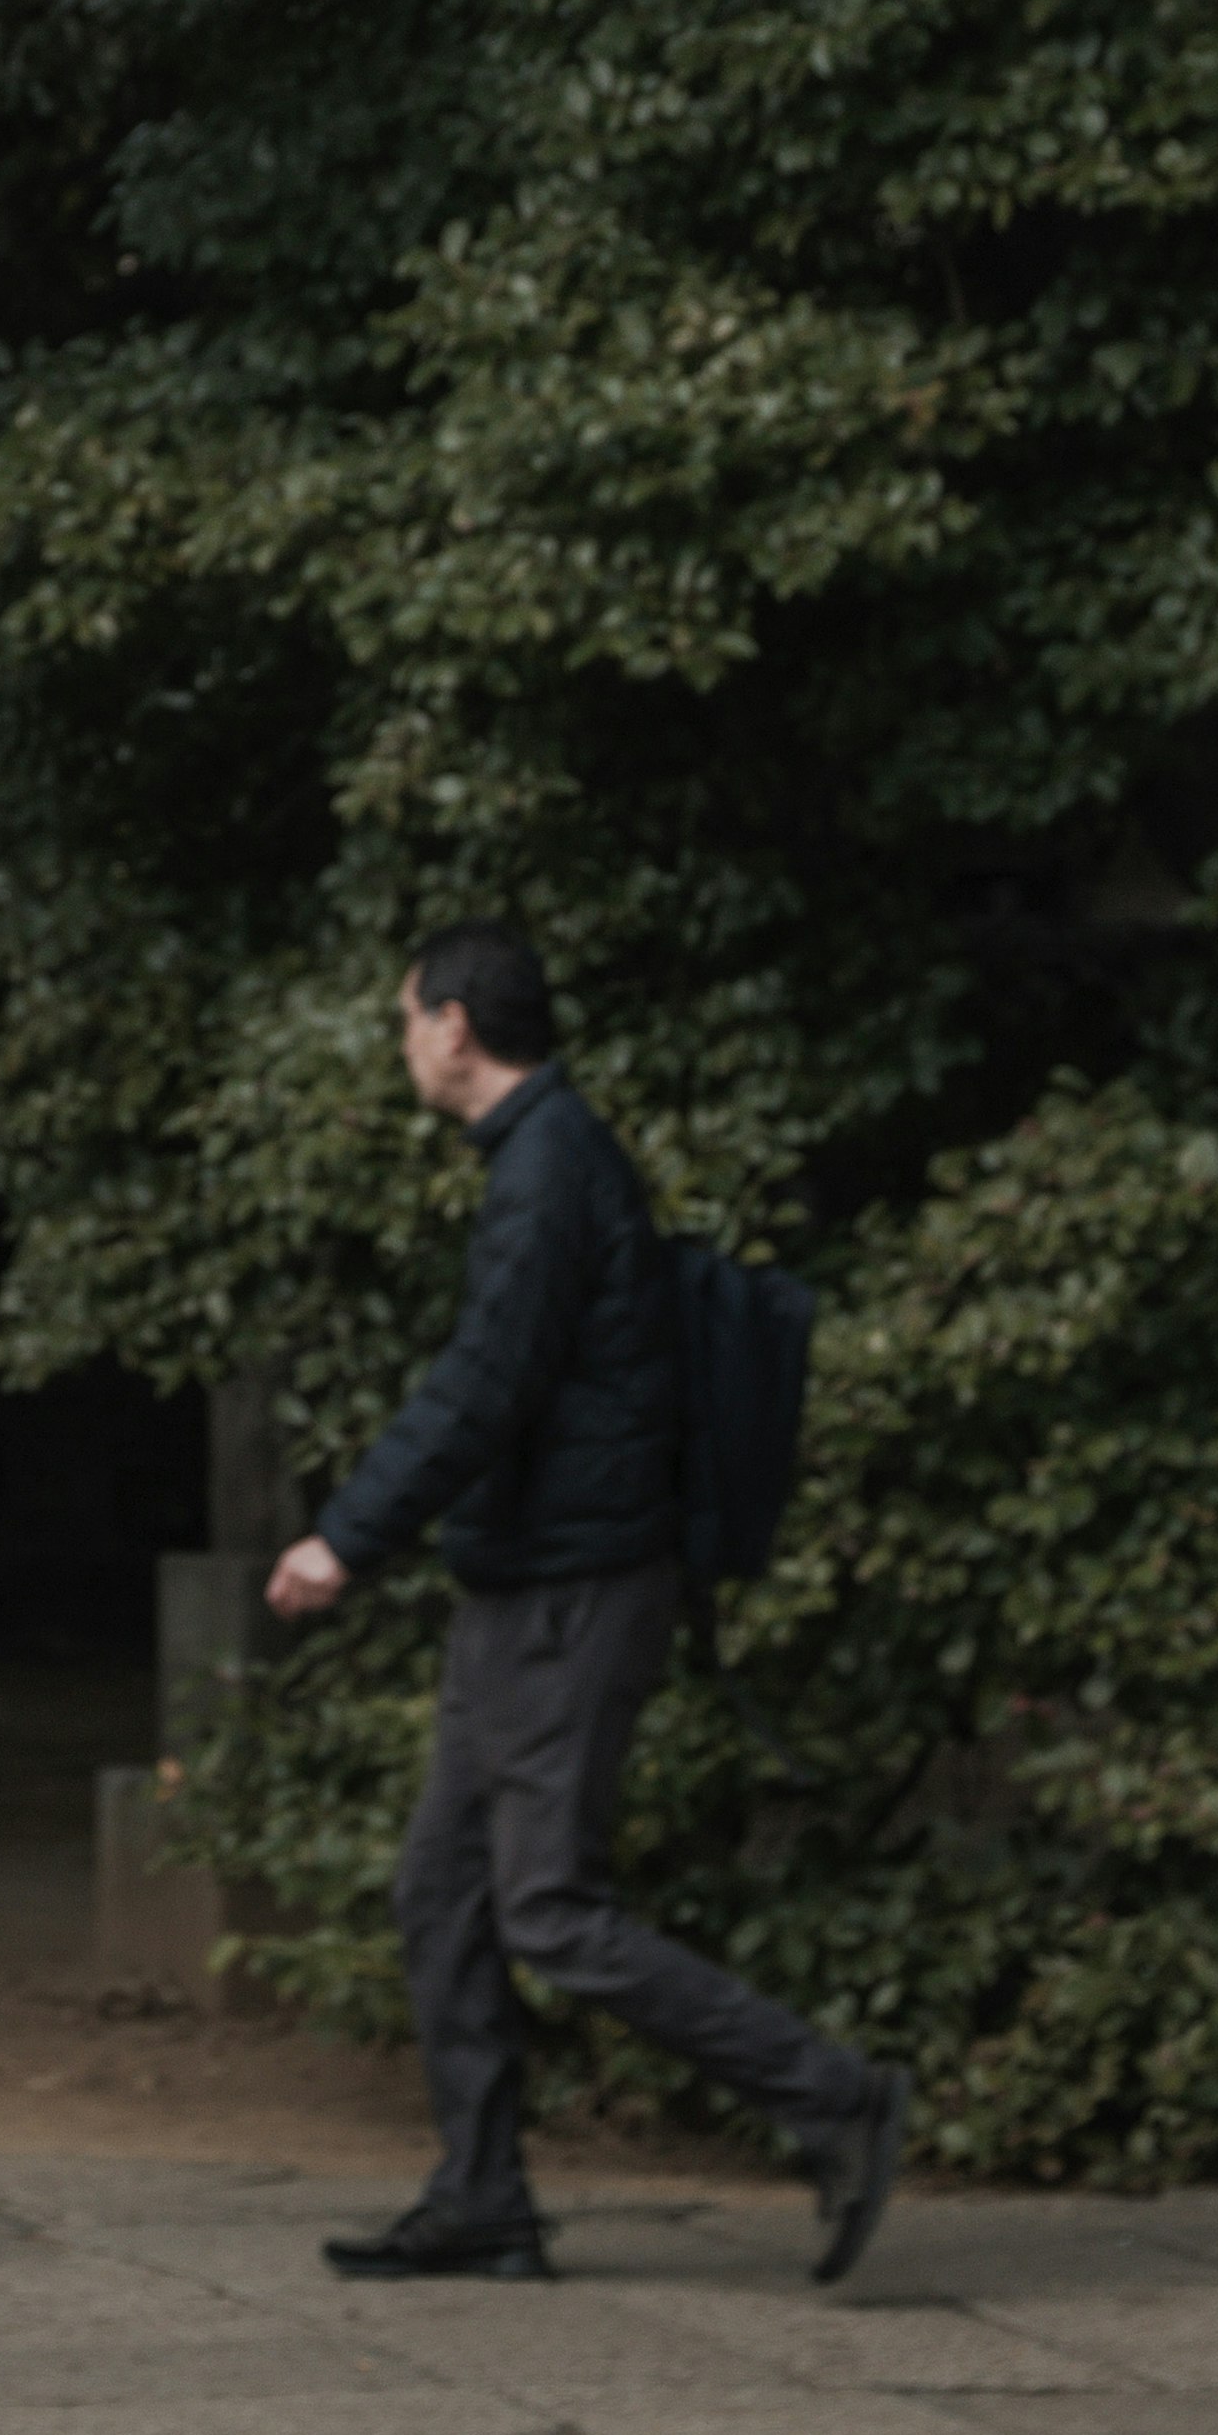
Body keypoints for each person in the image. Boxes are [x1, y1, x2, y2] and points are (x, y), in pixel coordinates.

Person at [270, 927, 908, 2292]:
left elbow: (485, 1382)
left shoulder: (552, 1168)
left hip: (577, 1587)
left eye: (405, 1021)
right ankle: (485, 2196)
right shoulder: (539, 1162)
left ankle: (835, 2094)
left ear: (454, 1025)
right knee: (443, 1886)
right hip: (527, 1581)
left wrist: (344, 1535)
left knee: (548, 1907)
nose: (403, 1046)